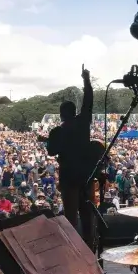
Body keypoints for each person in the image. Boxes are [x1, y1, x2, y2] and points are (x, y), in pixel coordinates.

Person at [46, 67, 94, 242]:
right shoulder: (83, 123)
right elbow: (88, 100)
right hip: (86, 177)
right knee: (88, 216)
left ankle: (74, 251)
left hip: (69, 179)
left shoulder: (57, 132)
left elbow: (51, 151)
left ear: (61, 114)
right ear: (74, 112)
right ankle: (91, 249)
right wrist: (86, 80)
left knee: (71, 219)